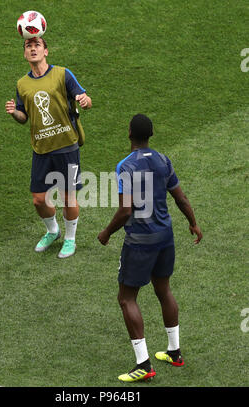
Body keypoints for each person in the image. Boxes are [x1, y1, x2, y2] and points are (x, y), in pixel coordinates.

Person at [98, 114, 202, 382]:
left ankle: (143, 363)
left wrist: (106, 232)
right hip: (165, 237)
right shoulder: (163, 160)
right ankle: (174, 352)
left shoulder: (125, 166)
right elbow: (180, 197)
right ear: (151, 135)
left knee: (126, 298)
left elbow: (125, 210)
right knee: (163, 289)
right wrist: (193, 223)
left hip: (140, 241)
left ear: (129, 132)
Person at [5, 37, 92, 258]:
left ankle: (70, 239)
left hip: (67, 147)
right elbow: (23, 117)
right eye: (28, 46)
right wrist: (14, 112)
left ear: (46, 51)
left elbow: (85, 99)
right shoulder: (22, 84)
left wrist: (85, 100)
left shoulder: (62, 74)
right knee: (38, 198)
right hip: (41, 149)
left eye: (37, 45)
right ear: (24, 53)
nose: (32, 49)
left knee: (68, 197)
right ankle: (53, 231)